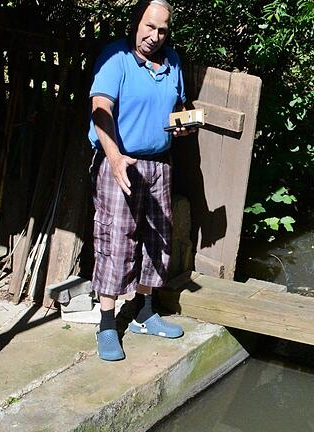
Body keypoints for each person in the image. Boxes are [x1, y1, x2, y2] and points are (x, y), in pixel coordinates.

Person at [88, 0, 195, 361]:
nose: (155, 36)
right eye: (149, 27)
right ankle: (106, 322)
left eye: (162, 30)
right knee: (115, 240)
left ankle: (145, 312)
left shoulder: (173, 62)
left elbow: (177, 105)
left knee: (157, 241)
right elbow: (100, 108)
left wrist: (182, 123)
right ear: (136, 23)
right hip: (121, 162)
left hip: (159, 164)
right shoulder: (116, 58)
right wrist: (115, 157)